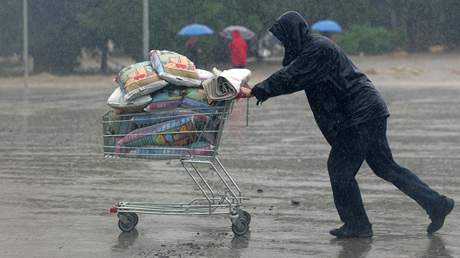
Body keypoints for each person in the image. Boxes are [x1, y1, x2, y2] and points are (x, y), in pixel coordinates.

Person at [239, 11, 454, 238]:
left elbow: (291, 76)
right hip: (368, 111)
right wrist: (258, 89)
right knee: (385, 167)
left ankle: (358, 225)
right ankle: (436, 204)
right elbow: (294, 75)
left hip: (359, 114)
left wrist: (256, 90)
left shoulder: (318, 49)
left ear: (294, 34)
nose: (284, 43)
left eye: (285, 37)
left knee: (340, 169)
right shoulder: (311, 49)